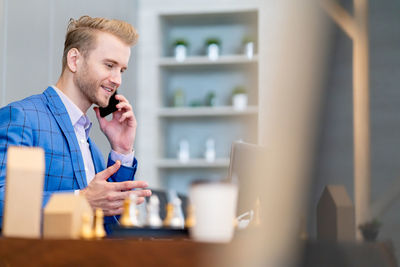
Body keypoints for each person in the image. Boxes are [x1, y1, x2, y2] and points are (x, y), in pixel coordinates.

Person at [0, 15, 151, 231]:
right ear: (74, 60)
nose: (117, 79)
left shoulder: (92, 149)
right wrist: (81, 200)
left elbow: (109, 223)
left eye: (122, 70)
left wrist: (122, 150)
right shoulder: (21, 116)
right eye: (109, 65)